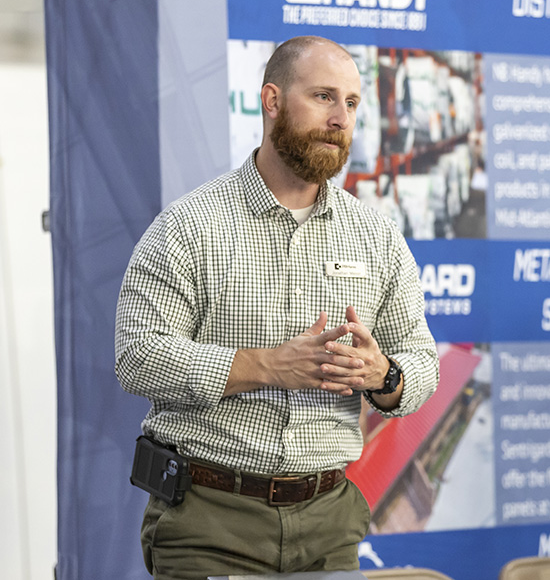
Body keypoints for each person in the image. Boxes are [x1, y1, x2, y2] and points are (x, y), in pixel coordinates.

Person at [115, 35, 439, 579]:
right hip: (210, 522)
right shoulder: (188, 227)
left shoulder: (377, 238)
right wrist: (268, 365)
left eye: (353, 103)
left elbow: (422, 360)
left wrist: (385, 375)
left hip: (328, 526)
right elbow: (139, 356)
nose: (342, 118)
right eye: (324, 97)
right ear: (271, 101)